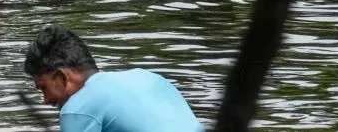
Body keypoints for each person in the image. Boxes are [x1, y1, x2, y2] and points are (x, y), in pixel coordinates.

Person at [22, 26, 203, 132]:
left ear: (62, 77)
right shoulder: (147, 77)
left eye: (44, 88)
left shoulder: (78, 107)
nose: (46, 100)